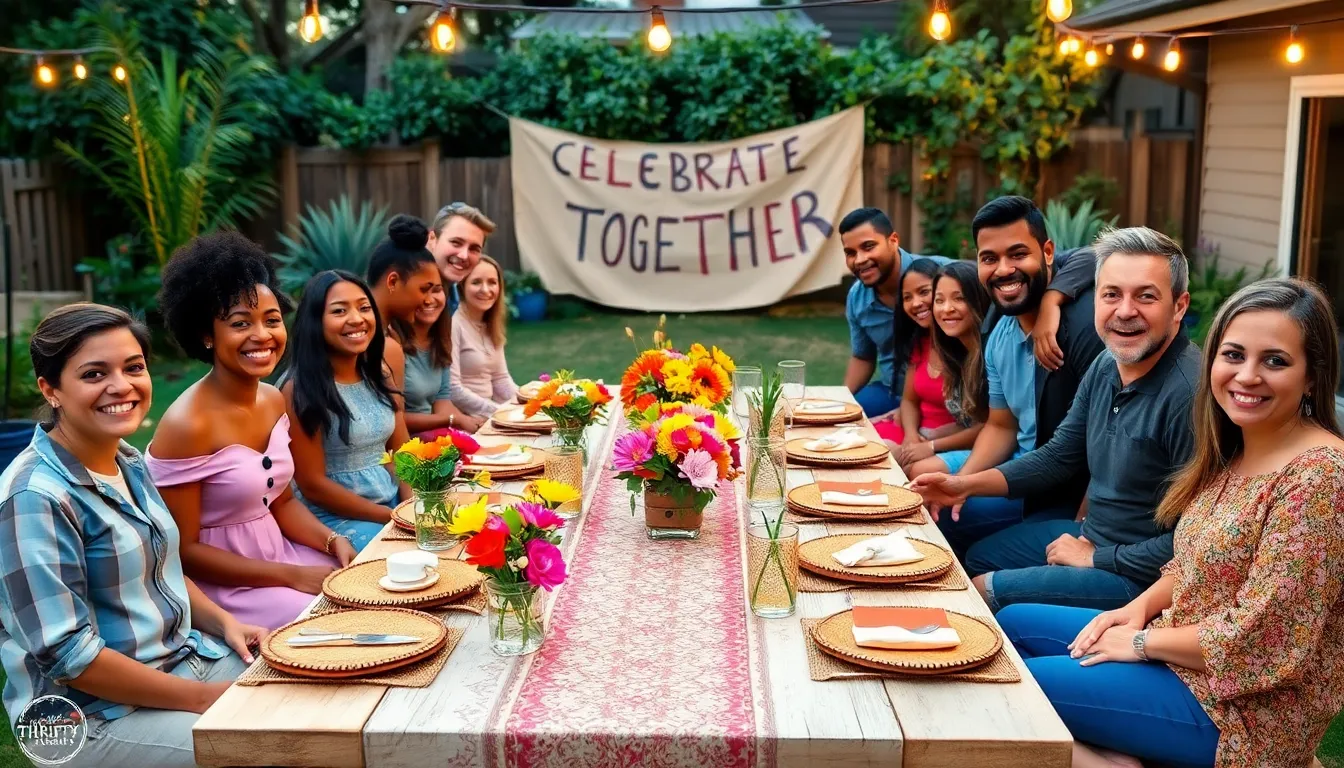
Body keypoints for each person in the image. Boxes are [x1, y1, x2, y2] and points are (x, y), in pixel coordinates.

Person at [996, 278, 1344, 768]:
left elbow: (1264, 639)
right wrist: (1135, 611)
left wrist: (1140, 643)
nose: (1246, 376)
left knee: (1018, 689)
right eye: (1233, 354)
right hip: (1182, 648)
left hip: (1241, 709)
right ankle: (1121, 747)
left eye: (1275, 361)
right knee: (1011, 626)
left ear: (1312, 376)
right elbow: (1196, 561)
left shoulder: (1319, 478)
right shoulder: (1238, 447)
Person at [0, 303, 267, 767]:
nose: (121, 386)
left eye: (133, 367)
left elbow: (159, 565)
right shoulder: (32, 498)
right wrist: (202, 699)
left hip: (180, 661)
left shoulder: (126, 459)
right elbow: (70, 658)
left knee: (306, 703)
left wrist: (227, 624)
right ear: (51, 389)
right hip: (81, 718)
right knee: (263, 749)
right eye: (93, 374)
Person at [913, 227, 1200, 612]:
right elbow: (1059, 456)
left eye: (1146, 296)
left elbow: (1194, 543)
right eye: (1111, 294)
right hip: (1092, 536)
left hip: (1140, 579)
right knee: (979, 557)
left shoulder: (1190, 396)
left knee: (981, 591)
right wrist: (963, 484)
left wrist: (1095, 558)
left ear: (1179, 306)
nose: (1125, 311)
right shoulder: (1106, 365)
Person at [146, 233, 358, 632]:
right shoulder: (187, 425)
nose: (262, 335)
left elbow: (282, 503)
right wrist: (291, 577)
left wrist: (332, 542)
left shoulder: (273, 400)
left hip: (282, 556)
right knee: (329, 627)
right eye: (240, 323)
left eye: (272, 320)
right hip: (224, 584)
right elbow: (184, 553)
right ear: (207, 335)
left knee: (367, 589)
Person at [918, 196, 1107, 555]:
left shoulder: (1084, 330)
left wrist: (1087, 522)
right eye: (989, 258)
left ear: (1048, 252)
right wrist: (959, 484)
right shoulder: (1000, 335)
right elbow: (1002, 426)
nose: (1003, 269)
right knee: (929, 514)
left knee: (975, 555)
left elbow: (1099, 449)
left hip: (1061, 495)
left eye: (1018, 254)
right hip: (1017, 476)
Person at [840, 206, 1094, 419]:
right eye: (850, 253)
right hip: (897, 388)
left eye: (868, 246)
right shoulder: (858, 298)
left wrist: (1052, 299)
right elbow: (863, 357)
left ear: (893, 240)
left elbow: (1091, 255)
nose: (860, 259)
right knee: (848, 417)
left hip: (952, 393)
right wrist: (836, 402)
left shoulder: (946, 273)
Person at [281, 270, 412, 552]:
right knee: (399, 556)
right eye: (339, 311)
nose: (356, 319)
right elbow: (313, 485)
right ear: (315, 321)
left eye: (364, 308)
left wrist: (413, 506)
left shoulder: (379, 375)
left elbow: (404, 453)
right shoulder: (299, 390)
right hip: (335, 518)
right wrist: (394, 518)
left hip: (390, 504)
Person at [898, 260, 992, 477]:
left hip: (998, 448)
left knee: (917, 471)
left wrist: (932, 445)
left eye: (959, 298)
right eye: (939, 301)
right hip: (956, 438)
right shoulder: (953, 351)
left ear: (978, 299)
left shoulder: (990, 353)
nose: (947, 309)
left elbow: (993, 426)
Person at [394, 281, 484, 436]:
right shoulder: (393, 345)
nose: (429, 300)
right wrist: (454, 420)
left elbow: (442, 400)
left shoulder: (439, 341)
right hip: (407, 443)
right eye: (422, 291)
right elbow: (395, 419)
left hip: (435, 435)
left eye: (436, 290)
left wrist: (466, 423)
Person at [366, 214, 444, 394]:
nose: (428, 300)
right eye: (425, 289)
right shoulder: (361, 344)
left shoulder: (390, 339)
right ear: (393, 282)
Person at [450, 256, 520, 420]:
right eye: (476, 282)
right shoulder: (454, 324)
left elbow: (500, 378)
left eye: (492, 282)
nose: (485, 290)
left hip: (489, 414)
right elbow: (452, 389)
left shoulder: (490, 323)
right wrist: (498, 412)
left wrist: (528, 402)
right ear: (462, 286)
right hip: (465, 419)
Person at [427, 202, 495, 314]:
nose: (464, 256)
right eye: (456, 243)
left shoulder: (452, 293)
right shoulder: (405, 292)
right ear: (432, 240)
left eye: (474, 248)